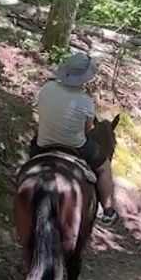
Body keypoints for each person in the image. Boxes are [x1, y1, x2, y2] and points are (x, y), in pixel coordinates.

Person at [33, 52, 119, 226]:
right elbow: (87, 129)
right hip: (75, 146)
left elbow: (41, 111)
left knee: (31, 156)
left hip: (43, 142)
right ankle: (108, 210)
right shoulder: (85, 101)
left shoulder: (46, 89)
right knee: (104, 168)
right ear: (85, 78)